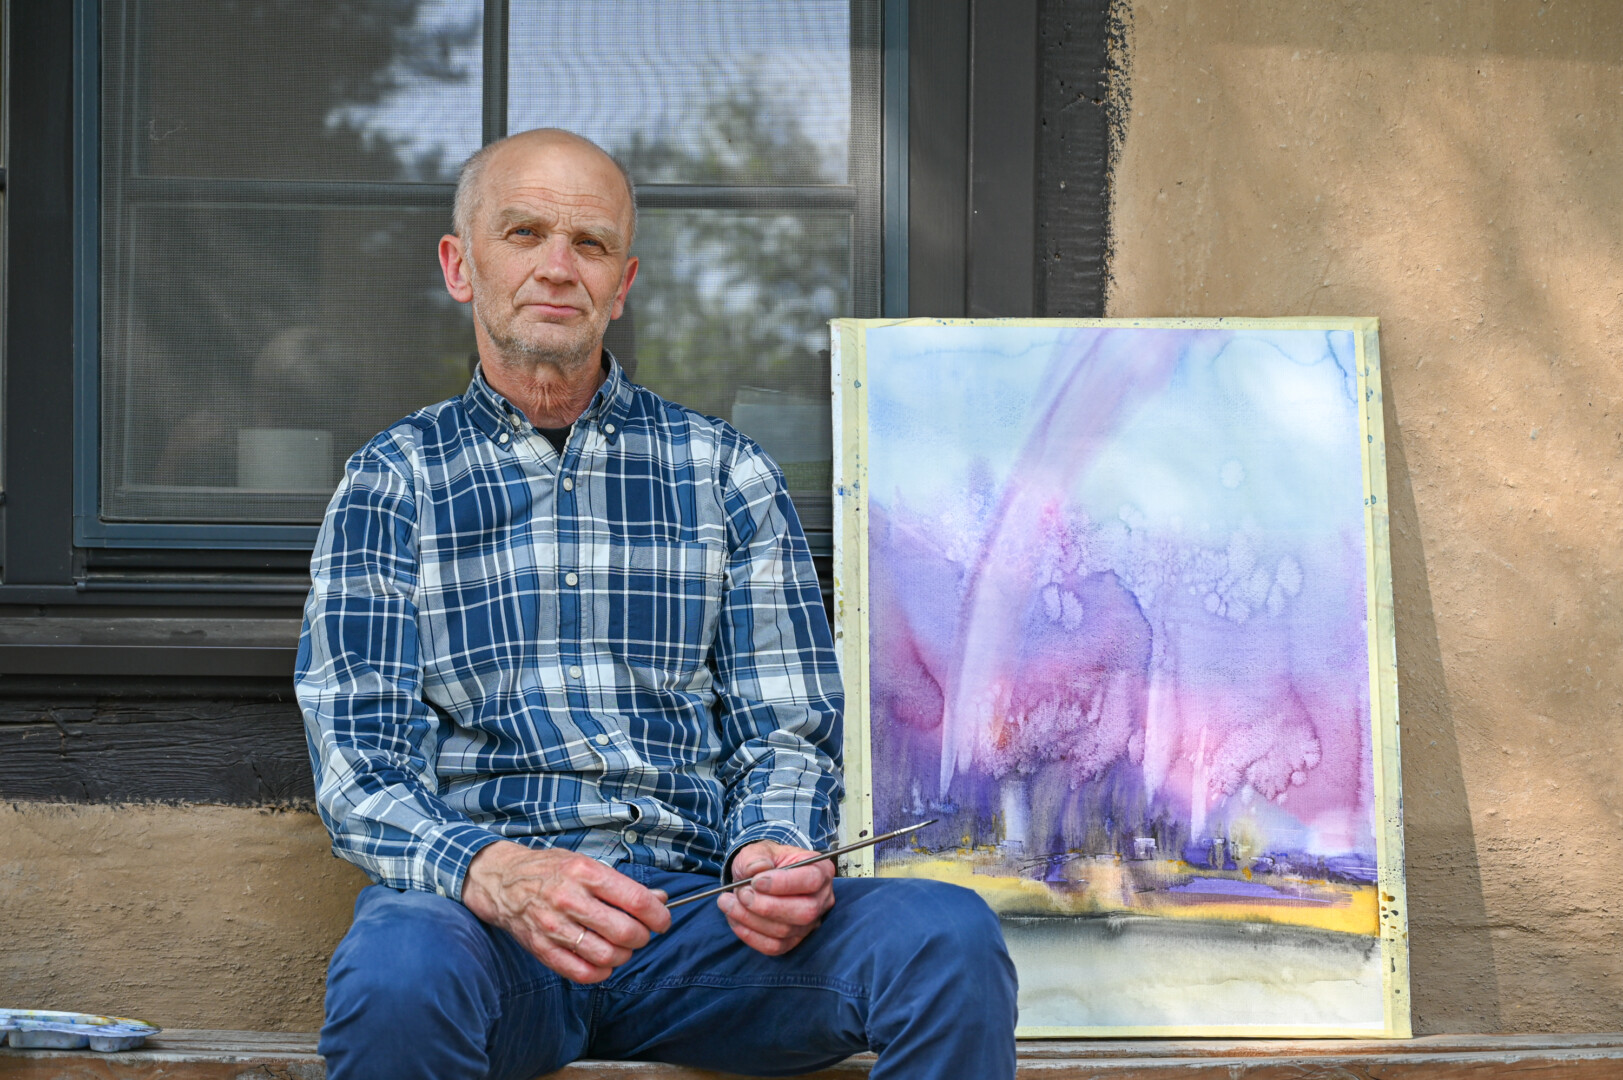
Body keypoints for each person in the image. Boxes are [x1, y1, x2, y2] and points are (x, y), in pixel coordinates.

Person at [295, 128, 1017, 1080]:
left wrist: (772, 850)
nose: (558, 267)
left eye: (590, 244)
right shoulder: (392, 483)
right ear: (460, 266)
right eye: (523, 233)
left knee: (944, 936)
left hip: (700, 928)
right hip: (487, 931)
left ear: (622, 284)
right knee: (393, 973)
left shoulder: (724, 473)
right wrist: (496, 875)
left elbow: (785, 730)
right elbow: (360, 765)